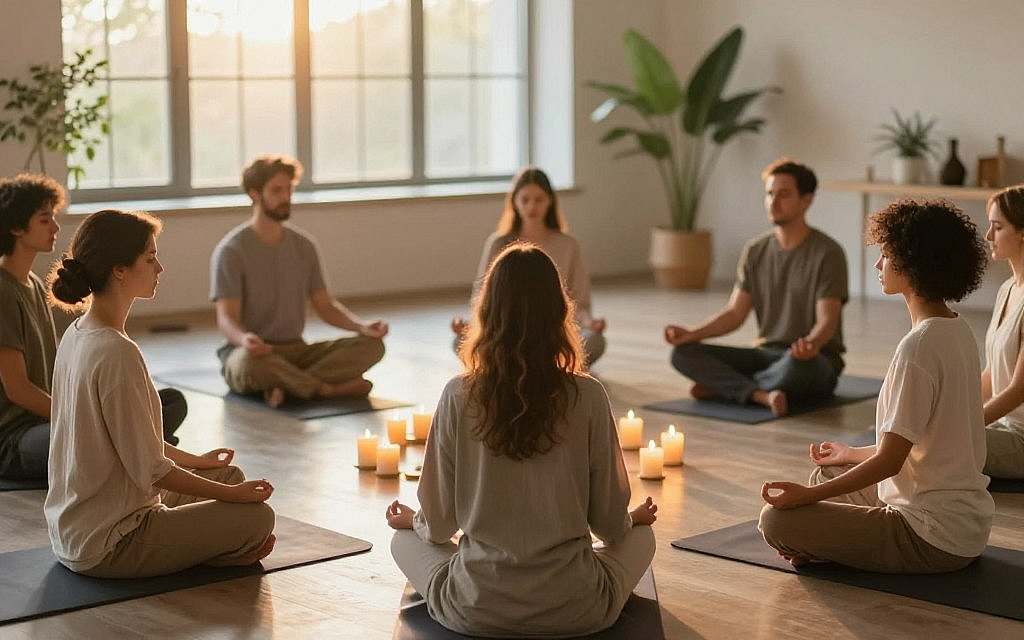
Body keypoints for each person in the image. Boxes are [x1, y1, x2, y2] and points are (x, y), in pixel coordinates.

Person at [388, 244, 657, 637]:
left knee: (401, 542)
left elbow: (439, 525)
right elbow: (610, 527)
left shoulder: (457, 394)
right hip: (577, 608)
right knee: (643, 538)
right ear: (559, 312)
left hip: (475, 608)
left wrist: (412, 522)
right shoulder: (589, 395)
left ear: (487, 312)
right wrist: (633, 520)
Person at [758, 199, 993, 574]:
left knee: (776, 520)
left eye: (885, 254)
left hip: (930, 537)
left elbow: (890, 460)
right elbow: (919, 445)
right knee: (829, 473)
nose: (878, 264)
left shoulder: (917, 348)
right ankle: (831, 540)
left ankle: (825, 545)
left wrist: (808, 497)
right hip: (965, 525)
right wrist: (847, 453)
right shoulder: (957, 328)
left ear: (912, 263)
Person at [44, 209, 275, 578]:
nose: (160, 268)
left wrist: (200, 462)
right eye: (150, 258)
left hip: (74, 530)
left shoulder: (76, 332)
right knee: (257, 515)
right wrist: (235, 499)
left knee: (227, 475)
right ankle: (222, 552)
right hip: (112, 541)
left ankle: (214, 545)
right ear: (119, 269)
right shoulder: (116, 351)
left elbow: (134, 440)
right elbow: (150, 469)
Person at [0, 175, 186, 484]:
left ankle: (139, 451)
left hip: (56, 418)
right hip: (18, 437)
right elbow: (17, 389)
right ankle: (142, 452)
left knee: (170, 402)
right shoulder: (2, 292)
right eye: (45, 220)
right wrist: (83, 413)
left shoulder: (31, 284)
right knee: (103, 433)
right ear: (17, 228)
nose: (56, 228)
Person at [665, 159, 848, 416]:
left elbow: (827, 320)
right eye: (770, 194)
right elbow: (734, 314)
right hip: (765, 355)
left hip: (811, 360)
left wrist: (811, 344)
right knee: (682, 354)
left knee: (801, 367)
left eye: (784, 194)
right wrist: (691, 334)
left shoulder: (828, 253)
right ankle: (761, 394)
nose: (773, 202)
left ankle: (726, 388)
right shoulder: (755, 251)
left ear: (807, 200)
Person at [211, 155, 387, 408]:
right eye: (276, 190)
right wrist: (244, 340)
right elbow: (226, 318)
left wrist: (362, 327)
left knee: (372, 346)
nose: (286, 197)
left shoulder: (304, 246)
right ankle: (324, 389)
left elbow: (325, 306)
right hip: (253, 354)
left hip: (298, 353)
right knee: (249, 365)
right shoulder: (231, 251)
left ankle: (285, 386)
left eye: (289, 189)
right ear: (255, 194)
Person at [452, 167, 607, 366]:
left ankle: (517, 365)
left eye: (539, 199)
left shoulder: (568, 244)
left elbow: (580, 302)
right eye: (525, 199)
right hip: (507, 333)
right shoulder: (498, 243)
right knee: (460, 342)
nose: (532, 206)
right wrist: (471, 326)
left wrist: (590, 323)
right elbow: (482, 297)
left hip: (552, 335)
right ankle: (532, 364)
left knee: (595, 341)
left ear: (550, 201)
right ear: (514, 202)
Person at [982, 185, 1024, 479]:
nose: (988, 236)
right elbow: (991, 375)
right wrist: (947, 406)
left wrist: (961, 424)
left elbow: (1018, 391)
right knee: (922, 430)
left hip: (1021, 439)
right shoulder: (1007, 289)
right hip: (1000, 427)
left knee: (934, 443)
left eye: (997, 227)